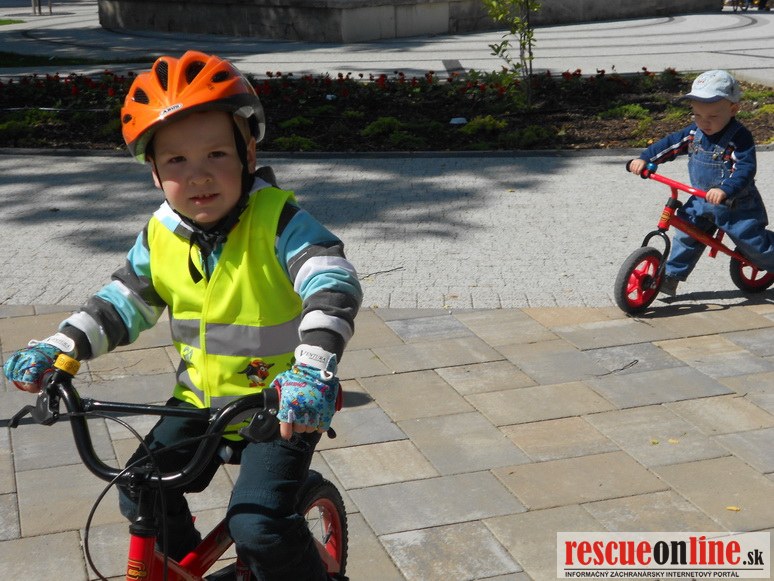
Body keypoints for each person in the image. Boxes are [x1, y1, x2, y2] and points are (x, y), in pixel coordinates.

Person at [3, 50, 361, 580]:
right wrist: (61, 346)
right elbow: (122, 302)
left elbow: (331, 281)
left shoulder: (280, 221)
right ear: (154, 172)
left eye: (217, 154)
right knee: (137, 486)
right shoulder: (161, 233)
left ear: (247, 151)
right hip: (198, 402)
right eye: (176, 162)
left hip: (284, 405)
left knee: (258, 526)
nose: (198, 177)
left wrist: (313, 368)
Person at [628, 69, 774, 296]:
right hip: (700, 199)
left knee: (755, 245)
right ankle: (669, 276)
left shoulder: (739, 138)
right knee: (685, 234)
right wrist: (646, 159)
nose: (704, 122)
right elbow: (670, 144)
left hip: (735, 205)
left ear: (733, 109)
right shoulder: (694, 133)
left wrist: (725, 189)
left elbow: (745, 169)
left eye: (713, 117)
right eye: (697, 115)